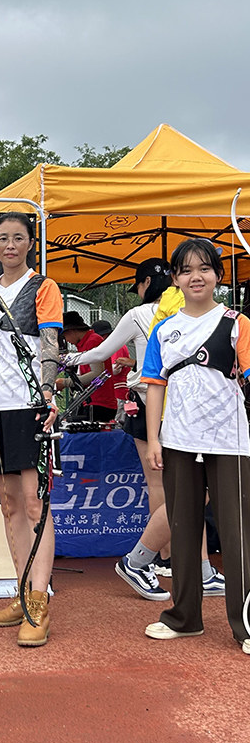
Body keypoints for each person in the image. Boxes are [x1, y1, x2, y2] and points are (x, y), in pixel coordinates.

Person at [63, 258, 224, 603]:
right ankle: (187, 564)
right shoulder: (194, 314)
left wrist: (60, 360)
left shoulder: (142, 315)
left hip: (154, 406)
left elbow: (102, 352)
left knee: (168, 487)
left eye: (137, 284)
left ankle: (163, 558)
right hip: (180, 408)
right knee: (191, 487)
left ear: (147, 282)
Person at [142, 238, 250, 654]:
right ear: (175, 279)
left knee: (238, 534)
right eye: (186, 270)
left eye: (204, 268)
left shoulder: (237, 323)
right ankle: (184, 617)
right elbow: (154, 386)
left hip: (230, 441)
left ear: (219, 276)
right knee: (184, 530)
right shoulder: (163, 330)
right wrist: (154, 439)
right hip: (179, 440)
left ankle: (246, 625)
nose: (196, 277)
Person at [0, 212, 62, 648]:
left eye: (19, 238)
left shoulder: (43, 287)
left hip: (27, 407)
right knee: (8, 505)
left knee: (35, 504)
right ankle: (22, 595)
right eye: (3, 238)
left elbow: (51, 345)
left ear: (30, 243)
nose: (10, 245)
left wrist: (47, 393)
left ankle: (39, 602)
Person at [56, 312, 117, 421]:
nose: (67, 341)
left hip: (99, 402)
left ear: (71, 331)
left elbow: (96, 373)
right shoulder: (86, 343)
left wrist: (65, 383)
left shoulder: (93, 341)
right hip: (93, 401)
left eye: (65, 336)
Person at [91, 319, 130, 422]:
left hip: (118, 390)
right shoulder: (109, 346)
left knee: (116, 423)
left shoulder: (116, 346)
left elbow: (116, 369)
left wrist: (97, 371)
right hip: (112, 391)